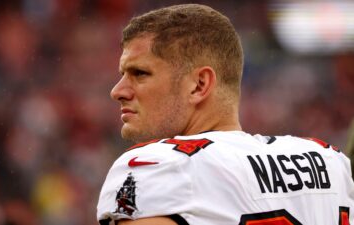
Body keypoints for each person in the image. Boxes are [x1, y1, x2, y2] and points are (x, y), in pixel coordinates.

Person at [97, 4, 354, 225]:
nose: (117, 91)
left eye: (139, 73)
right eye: (122, 75)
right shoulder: (328, 160)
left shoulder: (152, 167)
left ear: (199, 85)